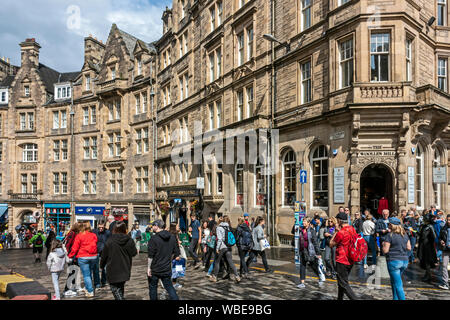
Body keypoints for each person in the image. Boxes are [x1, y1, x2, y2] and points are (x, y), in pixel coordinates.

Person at [100, 221, 137, 300]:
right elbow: (134, 253)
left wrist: (101, 265)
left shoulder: (110, 241)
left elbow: (104, 256)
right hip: (125, 268)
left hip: (112, 269)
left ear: (114, 229)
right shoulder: (129, 240)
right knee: (120, 288)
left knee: (115, 290)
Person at [147, 219, 180, 300]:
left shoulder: (153, 238)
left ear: (157, 226)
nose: (152, 227)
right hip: (166, 268)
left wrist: (148, 268)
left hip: (155, 268)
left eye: (153, 225)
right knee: (169, 287)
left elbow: (150, 256)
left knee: (153, 288)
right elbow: (177, 252)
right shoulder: (172, 237)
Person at [330, 212, 359, 300]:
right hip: (350, 259)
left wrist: (335, 232)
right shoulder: (352, 229)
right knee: (341, 282)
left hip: (342, 260)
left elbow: (331, 244)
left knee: (343, 283)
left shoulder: (341, 232)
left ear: (339, 220)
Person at [382, 217, 411, 300]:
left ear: (391, 225)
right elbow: (409, 247)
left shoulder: (389, 235)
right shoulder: (404, 235)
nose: (388, 225)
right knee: (394, 282)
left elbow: (385, 250)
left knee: (398, 285)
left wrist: (383, 244)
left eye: (388, 224)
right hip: (404, 261)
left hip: (394, 261)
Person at [68, 222, 98, 297]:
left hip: (83, 256)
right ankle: (87, 287)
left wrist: (70, 255)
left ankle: (90, 291)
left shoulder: (79, 236)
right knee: (89, 273)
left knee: (86, 275)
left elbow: (75, 248)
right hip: (93, 256)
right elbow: (95, 243)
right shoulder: (94, 235)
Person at [210, 215, 241, 283]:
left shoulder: (219, 228)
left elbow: (220, 239)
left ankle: (214, 277)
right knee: (230, 262)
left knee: (217, 261)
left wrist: (217, 248)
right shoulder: (229, 227)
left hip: (222, 247)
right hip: (228, 247)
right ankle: (237, 276)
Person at [296, 217, 325, 289]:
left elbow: (315, 242)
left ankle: (320, 277)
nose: (303, 223)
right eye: (303, 221)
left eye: (305, 221)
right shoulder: (301, 230)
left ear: (309, 223)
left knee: (313, 266)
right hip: (302, 250)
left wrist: (318, 253)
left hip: (310, 251)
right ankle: (302, 282)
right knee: (302, 266)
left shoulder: (312, 231)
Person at [417, 213, 439, 283]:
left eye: (425, 219)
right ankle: (427, 274)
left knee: (428, 262)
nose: (424, 220)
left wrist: (428, 239)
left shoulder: (430, 226)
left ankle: (428, 276)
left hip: (428, 246)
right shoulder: (423, 226)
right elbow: (420, 234)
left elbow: (434, 236)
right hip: (423, 246)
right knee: (424, 260)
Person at [63, 223, 83, 297]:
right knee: (71, 272)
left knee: (75, 271)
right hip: (72, 255)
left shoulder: (74, 233)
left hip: (75, 255)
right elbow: (68, 244)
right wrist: (69, 255)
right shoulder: (72, 233)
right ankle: (66, 289)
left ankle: (73, 288)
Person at [93, 220, 111, 288]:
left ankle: (104, 281)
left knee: (104, 268)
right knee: (96, 268)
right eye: (99, 227)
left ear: (104, 226)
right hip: (96, 252)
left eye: (102, 227)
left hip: (104, 253)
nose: (101, 229)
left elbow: (109, 242)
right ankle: (97, 283)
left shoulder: (108, 232)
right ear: (97, 225)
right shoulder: (94, 231)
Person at [169, 222, 186, 289]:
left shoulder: (172, 234)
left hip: (171, 254)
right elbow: (175, 246)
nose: (178, 227)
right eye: (177, 226)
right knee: (175, 269)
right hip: (174, 255)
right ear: (174, 227)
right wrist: (177, 255)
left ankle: (173, 282)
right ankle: (174, 283)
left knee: (173, 269)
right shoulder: (173, 235)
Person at [438, 214, 450, 290]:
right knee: (444, 266)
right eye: (448, 220)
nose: (449, 221)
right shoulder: (444, 228)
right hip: (446, 249)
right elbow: (440, 237)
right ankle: (445, 283)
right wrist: (441, 241)